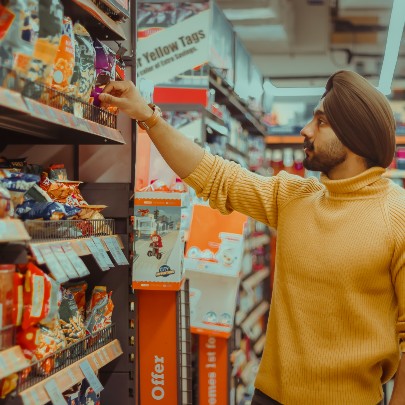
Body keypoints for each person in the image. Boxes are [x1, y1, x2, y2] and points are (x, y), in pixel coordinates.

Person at [99, 70, 405, 405]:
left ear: (354, 136)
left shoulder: (397, 216)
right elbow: (214, 175)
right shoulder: (293, 196)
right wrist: (148, 117)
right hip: (269, 397)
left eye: (321, 122)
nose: (305, 130)